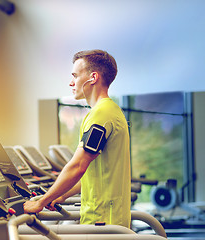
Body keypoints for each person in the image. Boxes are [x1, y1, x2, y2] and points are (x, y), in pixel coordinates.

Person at [23, 49, 131, 228]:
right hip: (106, 216)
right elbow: (92, 174)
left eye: (75, 75)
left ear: (93, 78)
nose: (71, 82)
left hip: (103, 219)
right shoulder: (110, 110)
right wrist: (61, 195)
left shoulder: (101, 114)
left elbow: (78, 166)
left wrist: (40, 202)